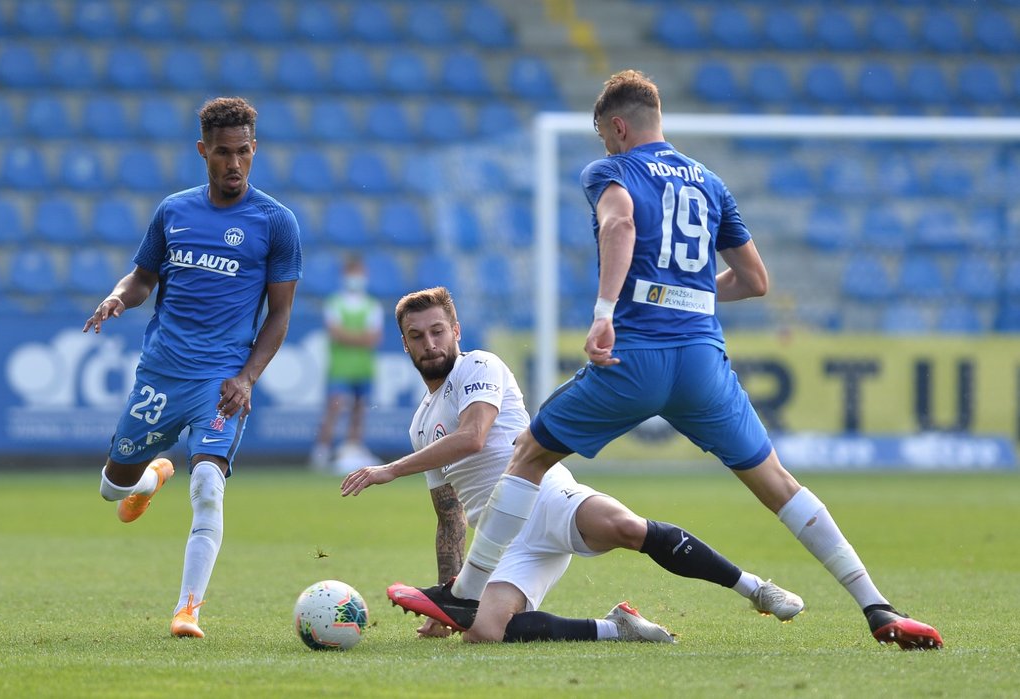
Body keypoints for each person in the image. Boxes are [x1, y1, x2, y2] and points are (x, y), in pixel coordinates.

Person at [394, 71, 943, 651]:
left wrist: (606, 310)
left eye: (606, 136)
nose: (605, 147)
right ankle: (877, 606)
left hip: (634, 360)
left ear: (619, 126)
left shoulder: (612, 171)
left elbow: (620, 222)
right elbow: (755, 281)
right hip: (703, 363)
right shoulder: (710, 183)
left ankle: (467, 590)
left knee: (527, 453)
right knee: (779, 483)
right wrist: (690, 292)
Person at [341, 287, 804, 643]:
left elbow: (473, 435)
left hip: (543, 497)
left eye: (438, 330)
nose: (430, 343)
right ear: (404, 345)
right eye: (417, 336)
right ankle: (615, 627)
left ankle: (755, 589)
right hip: (502, 543)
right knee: (486, 632)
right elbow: (448, 517)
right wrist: (451, 605)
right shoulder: (420, 425)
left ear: (456, 331)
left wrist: (389, 470)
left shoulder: (478, 366)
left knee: (626, 528)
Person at [83, 96, 302, 638]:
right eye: (223, 153)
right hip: (161, 372)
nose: (234, 164)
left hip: (221, 381)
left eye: (244, 153)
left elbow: (279, 316)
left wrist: (247, 377)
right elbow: (141, 279)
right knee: (112, 489)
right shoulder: (173, 212)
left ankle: (188, 609)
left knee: (208, 484)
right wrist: (117, 297)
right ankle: (151, 475)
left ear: (256, 150)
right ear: (203, 151)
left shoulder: (276, 223)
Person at [309, 256, 382, 472]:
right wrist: (360, 338)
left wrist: (348, 336)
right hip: (340, 367)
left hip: (363, 367)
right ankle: (321, 452)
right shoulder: (335, 303)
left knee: (359, 411)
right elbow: (336, 333)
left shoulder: (372, 305)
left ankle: (352, 450)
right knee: (334, 408)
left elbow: (373, 338)